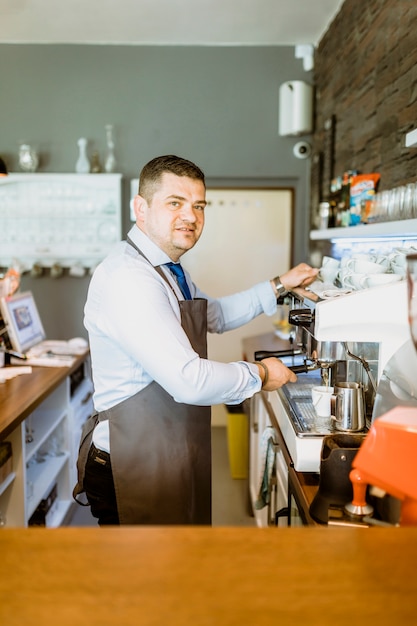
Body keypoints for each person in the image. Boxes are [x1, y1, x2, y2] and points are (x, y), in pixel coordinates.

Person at [73, 154, 318, 526]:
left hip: (164, 449)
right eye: (175, 203)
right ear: (140, 208)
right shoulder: (130, 278)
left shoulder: (168, 270)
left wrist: (279, 286)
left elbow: (214, 315)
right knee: (144, 580)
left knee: (175, 569)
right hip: (133, 461)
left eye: (198, 205)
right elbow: (189, 380)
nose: (190, 216)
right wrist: (261, 375)